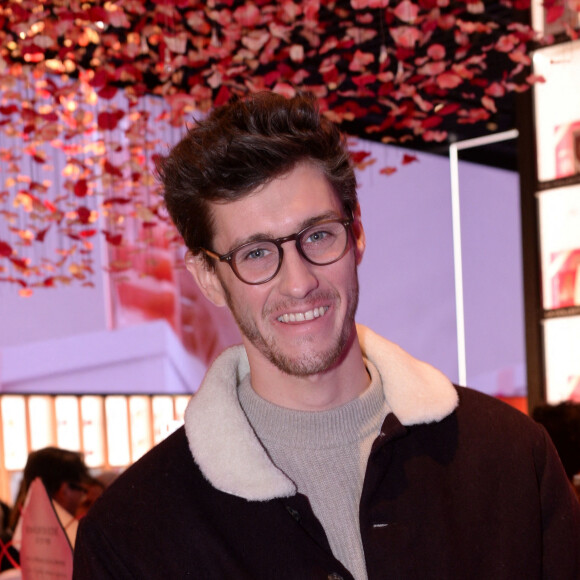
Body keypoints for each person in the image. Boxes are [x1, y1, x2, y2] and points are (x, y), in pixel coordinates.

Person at [73, 92, 580, 579]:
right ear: (209, 277)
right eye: (255, 254)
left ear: (356, 234)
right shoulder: (132, 532)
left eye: (318, 236)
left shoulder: (510, 458)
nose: (299, 283)